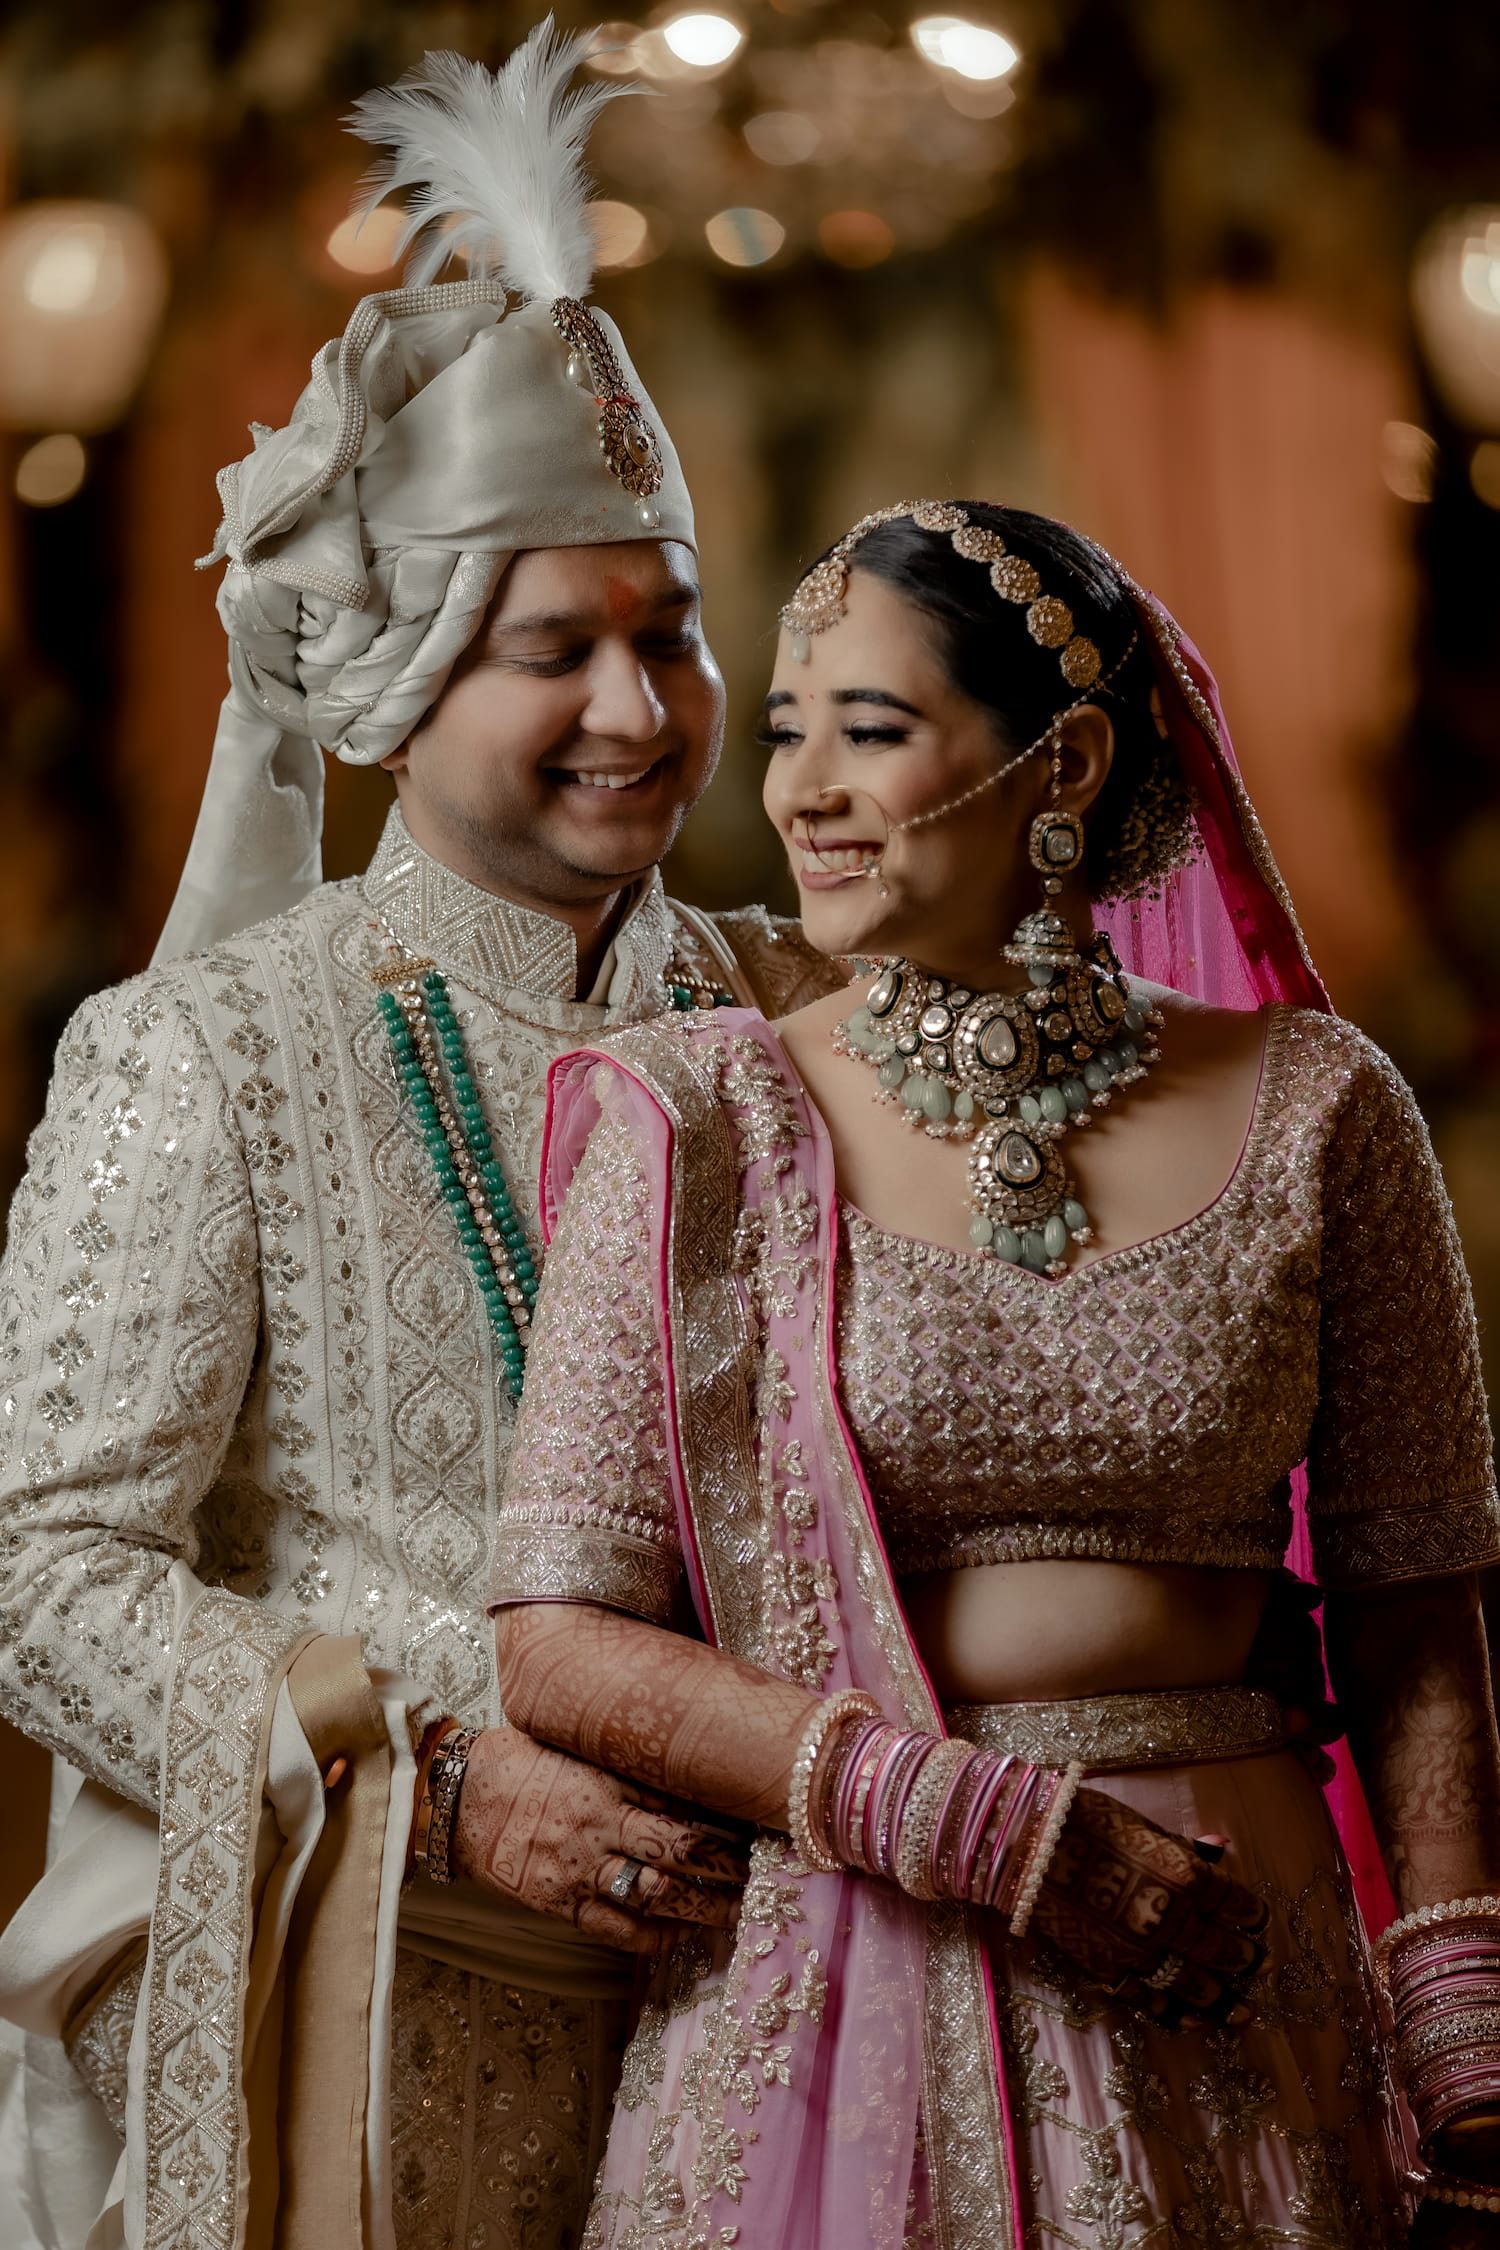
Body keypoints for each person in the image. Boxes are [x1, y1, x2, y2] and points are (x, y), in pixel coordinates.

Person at [0, 32, 842, 2250]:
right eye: (555, 648)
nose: (640, 711)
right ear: (397, 681)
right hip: (386, 2005)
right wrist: (443, 1775)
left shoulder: (800, 1019)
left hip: (797, 2001)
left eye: (670, 635)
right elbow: (46, 1568)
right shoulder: (207, 1052)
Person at [488, 499, 1500, 2250]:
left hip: (1231, 1968)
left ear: (1067, 764)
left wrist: (1464, 2035)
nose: (800, 790)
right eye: (789, 730)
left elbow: (1416, 1605)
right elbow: (557, 1638)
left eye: (870, 732)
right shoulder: (702, 1119)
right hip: (852, 1962)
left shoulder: (1325, 1108)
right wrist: (986, 1828)